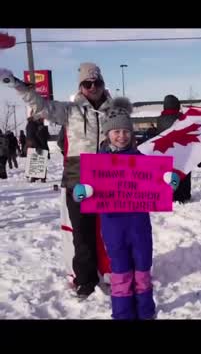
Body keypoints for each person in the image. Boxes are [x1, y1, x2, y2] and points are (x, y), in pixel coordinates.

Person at [1, 63, 115, 298]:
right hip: (78, 176)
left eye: (97, 83)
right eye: (87, 83)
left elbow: (127, 140)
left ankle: (111, 273)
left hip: (108, 175)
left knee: (109, 229)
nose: (93, 87)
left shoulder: (115, 111)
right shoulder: (70, 110)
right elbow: (40, 106)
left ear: (103, 84)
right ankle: (85, 280)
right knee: (81, 232)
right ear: (81, 87)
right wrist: (17, 85)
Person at [72, 98, 179, 319]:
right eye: (116, 131)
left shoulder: (141, 160)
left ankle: (146, 312)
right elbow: (86, 188)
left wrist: (170, 180)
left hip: (139, 227)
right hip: (114, 228)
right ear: (108, 134)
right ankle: (122, 315)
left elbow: (157, 181)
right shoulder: (98, 164)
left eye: (126, 131)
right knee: (120, 274)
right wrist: (80, 191)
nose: (122, 136)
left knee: (142, 272)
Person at [156, 94, 192, 203]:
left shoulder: (160, 119)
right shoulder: (181, 118)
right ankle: (184, 194)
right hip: (182, 150)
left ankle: (171, 194)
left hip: (167, 151)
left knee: (170, 173)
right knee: (184, 173)